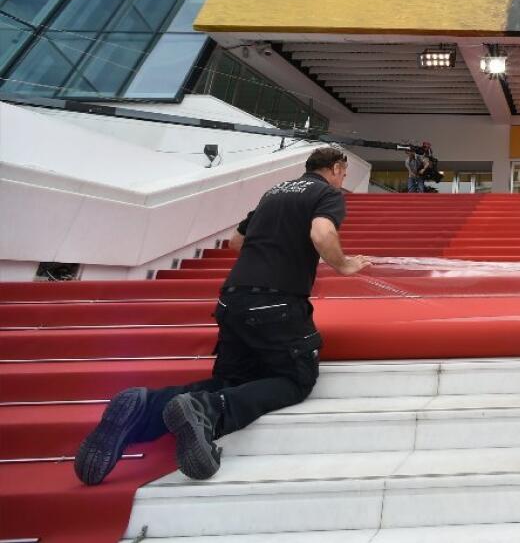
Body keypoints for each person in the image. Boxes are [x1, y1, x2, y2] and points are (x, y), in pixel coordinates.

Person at [74, 147, 372, 485]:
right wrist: (345, 264)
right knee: (295, 380)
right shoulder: (326, 194)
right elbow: (321, 234)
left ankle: (145, 408)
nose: (344, 180)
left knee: (233, 381)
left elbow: (236, 241)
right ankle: (208, 411)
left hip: (233, 299)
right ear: (335, 168)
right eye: (344, 174)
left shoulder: (272, 194)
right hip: (277, 303)